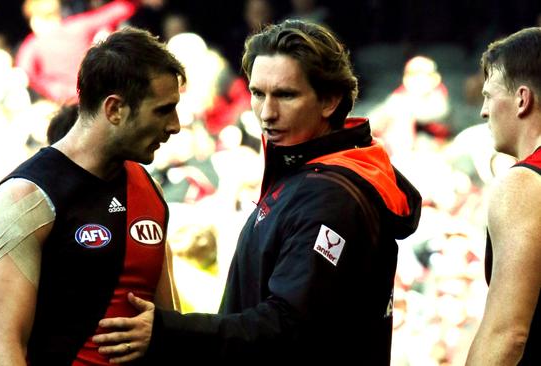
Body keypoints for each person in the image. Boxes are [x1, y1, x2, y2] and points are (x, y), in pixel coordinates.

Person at [93, 19, 422, 365]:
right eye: (257, 93)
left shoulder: (330, 196)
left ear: (329, 101)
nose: (266, 113)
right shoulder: (308, 170)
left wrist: (166, 330)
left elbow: (286, 327)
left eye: (285, 94)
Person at [0, 27, 186, 365]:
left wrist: (164, 331)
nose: (175, 125)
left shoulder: (148, 190)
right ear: (115, 109)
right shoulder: (26, 197)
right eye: (163, 110)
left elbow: (167, 326)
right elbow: (2, 349)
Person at [466, 27, 541, 365]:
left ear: (522, 99)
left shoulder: (523, 185)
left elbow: (507, 334)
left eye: (489, 95)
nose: (483, 110)